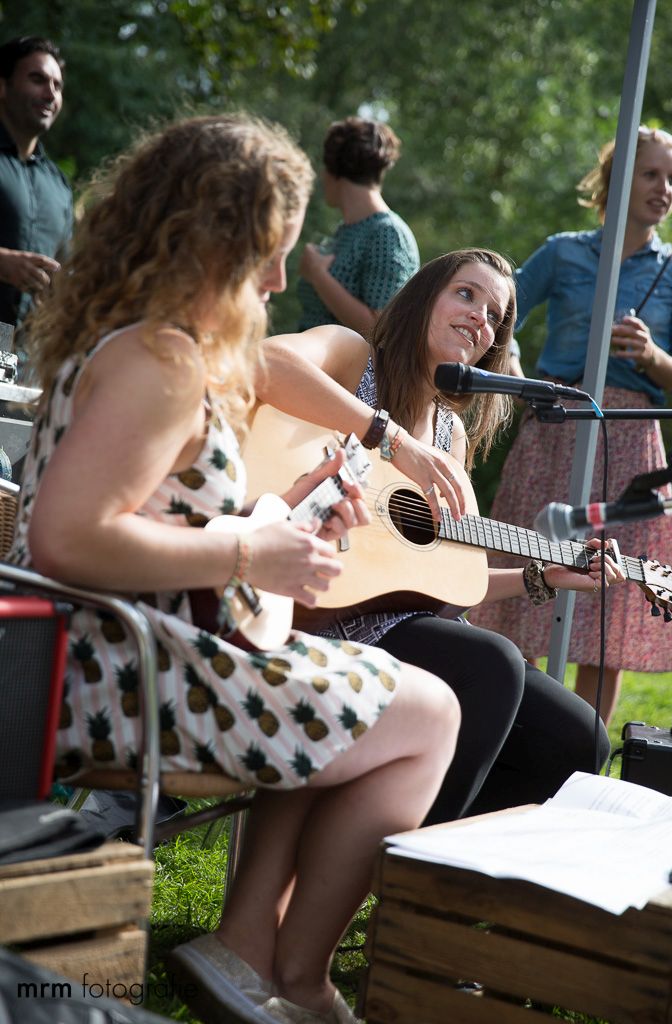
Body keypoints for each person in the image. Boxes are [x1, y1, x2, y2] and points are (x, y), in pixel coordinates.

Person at [8, 114, 460, 1024]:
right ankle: (288, 974)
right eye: (271, 253)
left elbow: (216, 434)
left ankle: (264, 961)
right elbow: (66, 539)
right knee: (429, 715)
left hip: (114, 657)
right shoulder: (163, 363)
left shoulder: (147, 341)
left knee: (386, 698)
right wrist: (253, 550)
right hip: (126, 677)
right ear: (212, 241)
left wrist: (299, 500)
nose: (282, 280)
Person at [260, 248, 623, 825]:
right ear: (425, 296)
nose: (480, 317)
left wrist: (542, 575)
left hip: (402, 622)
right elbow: (264, 361)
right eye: (466, 294)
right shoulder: (355, 358)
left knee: (580, 738)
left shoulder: (451, 433)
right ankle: (398, 857)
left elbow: (438, 578)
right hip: (316, 609)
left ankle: (435, 852)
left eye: (495, 316)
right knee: (493, 663)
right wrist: (392, 439)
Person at [468, 126, 672, 725]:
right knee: (526, 583)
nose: (665, 188)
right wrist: (515, 375)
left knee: (608, 607)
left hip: (629, 439)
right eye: (651, 174)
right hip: (555, 425)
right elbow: (498, 312)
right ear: (617, 179)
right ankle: (513, 741)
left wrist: (652, 356)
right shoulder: (564, 252)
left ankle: (580, 750)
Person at [297, 115, 419, 336]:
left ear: (335, 172)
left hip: (345, 360)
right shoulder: (347, 229)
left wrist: (318, 274)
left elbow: (380, 330)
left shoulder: (388, 234)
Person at [0, 36, 72, 378]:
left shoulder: (58, 186)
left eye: (57, 86)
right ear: (2, 87)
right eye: (37, 79)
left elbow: (68, 269)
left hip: (26, 367)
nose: (50, 93)